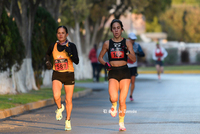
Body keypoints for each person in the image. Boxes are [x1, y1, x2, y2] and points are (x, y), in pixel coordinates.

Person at [98, 19, 136, 131]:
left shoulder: (127, 43)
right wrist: (106, 64)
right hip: (113, 71)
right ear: (111, 30)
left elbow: (133, 59)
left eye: (118, 28)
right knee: (114, 97)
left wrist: (127, 52)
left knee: (122, 100)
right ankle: (113, 105)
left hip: (124, 71)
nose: (116, 30)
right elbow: (100, 57)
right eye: (114, 28)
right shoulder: (107, 43)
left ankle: (121, 123)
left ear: (122, 29)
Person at [45, 26, 79, 131]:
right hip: (57, 74)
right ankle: (60, 107)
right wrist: (47, 61)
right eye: (59, 33)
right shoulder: (53, 46)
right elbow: (47, 54)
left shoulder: (72, 45)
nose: (61, 35)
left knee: (68, 100)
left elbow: (77, 61)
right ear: (57, 34)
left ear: (66, 34)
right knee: (56, 96)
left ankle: (68, 120)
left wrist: (70, 53)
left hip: (69, 74)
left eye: (63, 33)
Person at [127, 33, 145, 101]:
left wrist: (136, 53)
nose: (133, 40)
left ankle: (131, 95)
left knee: (133, 81)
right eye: (132, 39)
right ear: (128, 38)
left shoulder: (137, 45)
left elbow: (142, 54)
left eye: (134, 39)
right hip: (126, 66)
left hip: (133, 65)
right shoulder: (124, 45)